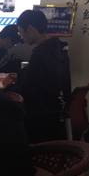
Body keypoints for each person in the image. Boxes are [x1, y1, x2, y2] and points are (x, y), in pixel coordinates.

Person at [15, 10, 71, 143]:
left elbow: (27, 89)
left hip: (40, 116)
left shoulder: (40, 53)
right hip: (57, 113)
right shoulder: (59, 47)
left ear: (30, 29)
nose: (21, 37)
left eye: (21, 32)